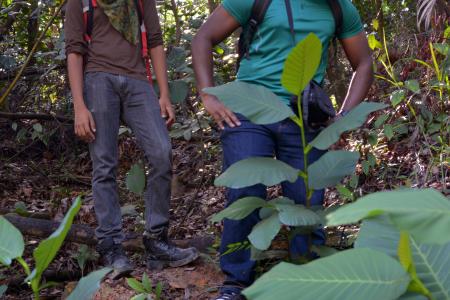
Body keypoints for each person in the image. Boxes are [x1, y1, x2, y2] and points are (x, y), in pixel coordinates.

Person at [192, 0, 373, 299]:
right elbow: (203, 38)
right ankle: (236, 282)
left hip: (304, 116)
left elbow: (364, 62)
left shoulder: (340, 8)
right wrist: (208, 95)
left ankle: (307, 279)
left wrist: (343, 118)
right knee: (246, 189)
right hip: (249, 110)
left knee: (307, 199)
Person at [64, 0, 198, 278]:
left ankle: (157, 240)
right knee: (104, 162)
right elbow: (74, 50)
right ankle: (111, 246)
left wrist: (163, 94)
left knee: (162, 153)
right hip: (98, 78)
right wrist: (79, 106)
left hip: (138, 80)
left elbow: (157, 40)